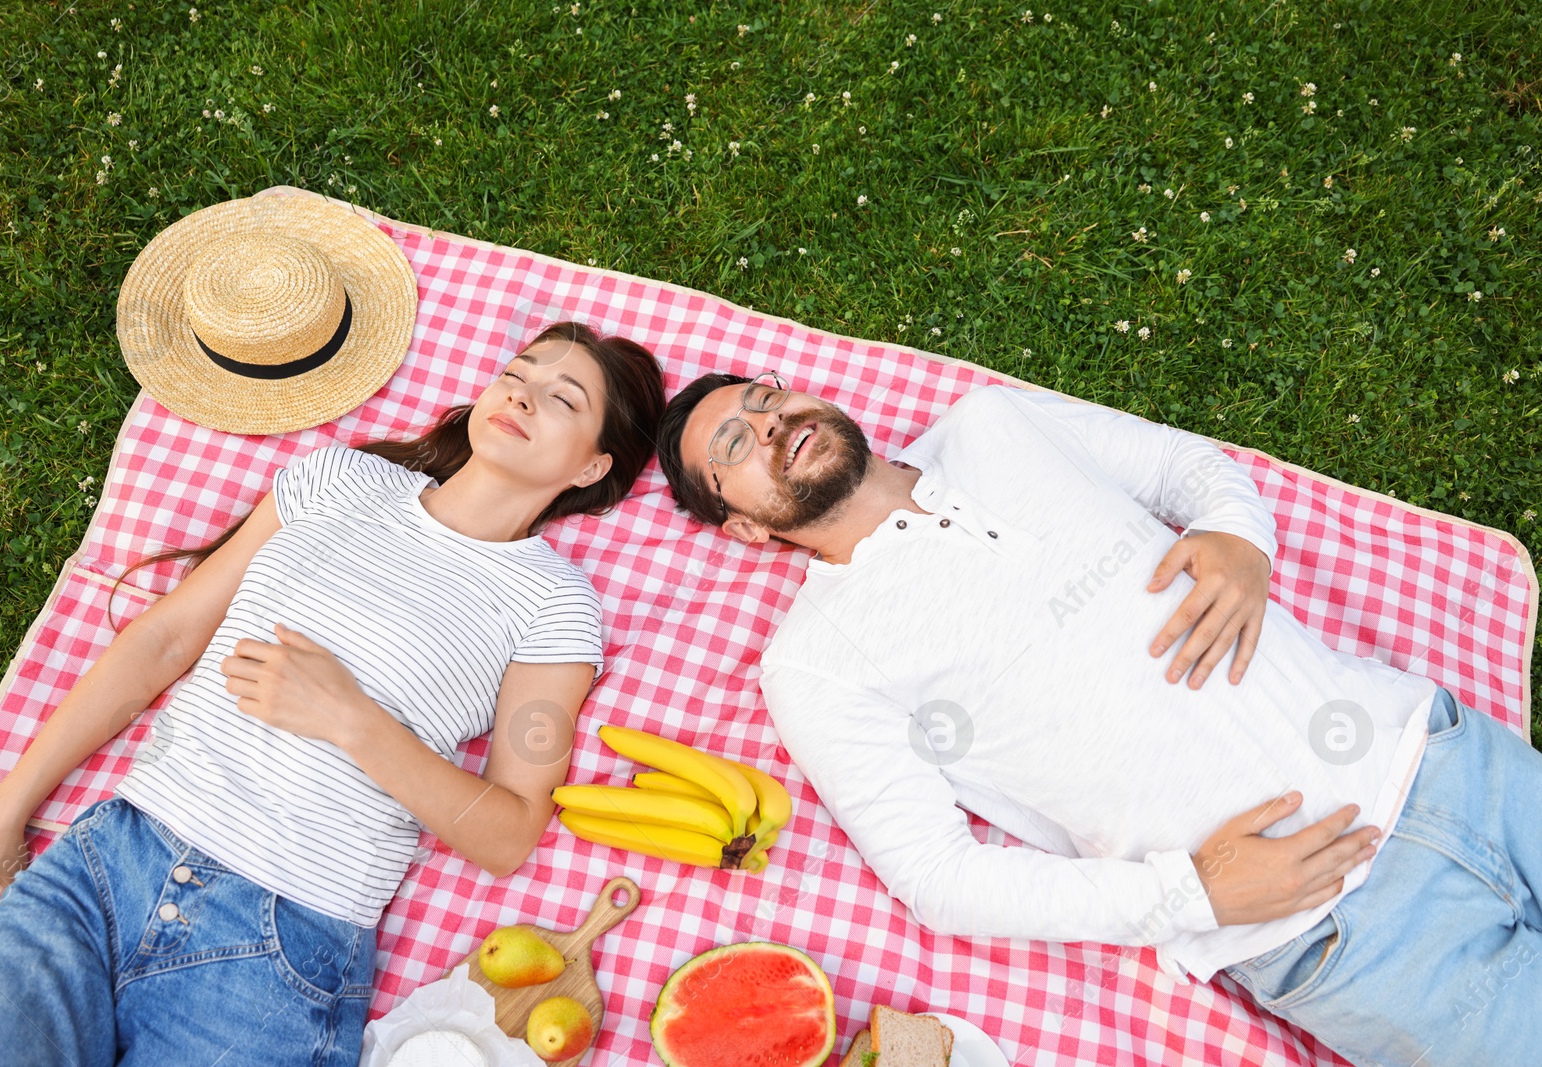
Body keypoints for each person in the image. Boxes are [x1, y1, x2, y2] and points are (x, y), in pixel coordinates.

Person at [655, 370, 1542, 1067]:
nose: (770, 422)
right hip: (1334, 929)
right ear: (740, 528)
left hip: (1444, 755)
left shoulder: (990, 424)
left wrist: (1239, 534)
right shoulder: (814, 661)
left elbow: (1179, 466)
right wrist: (1189, 894)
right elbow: (936, 876)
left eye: (766, 397)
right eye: (737, 440)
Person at [0, 310, 666, 1065]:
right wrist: (0, 818)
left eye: (563, 398)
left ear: (590, 467)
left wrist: (352, 718)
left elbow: (511, 830)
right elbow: (161, 638)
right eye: (517, 374)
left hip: (281, 942)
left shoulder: (553, 602)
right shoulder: (338, 478)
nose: (520, 395)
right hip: (107, 864)